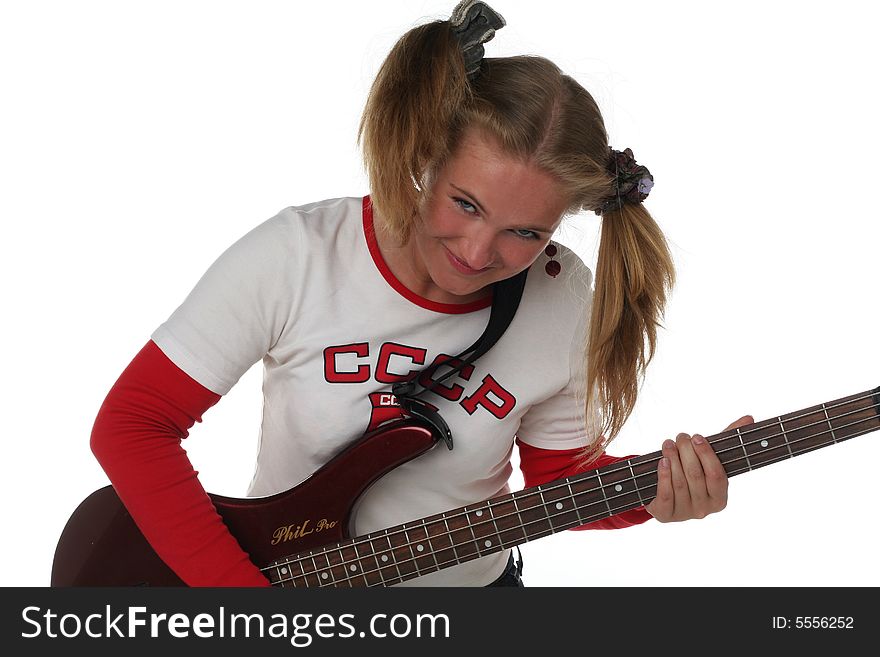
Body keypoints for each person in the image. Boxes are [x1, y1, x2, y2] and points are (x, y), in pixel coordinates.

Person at [89, 1, 752, 587]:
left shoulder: (562, 295)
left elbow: (557, 486)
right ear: (424, 154)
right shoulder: (298, 256)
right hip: (284, 587)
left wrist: (660, 492)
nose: (476, 251)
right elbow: (133, 423)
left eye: (525, 231)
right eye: (465, 203)